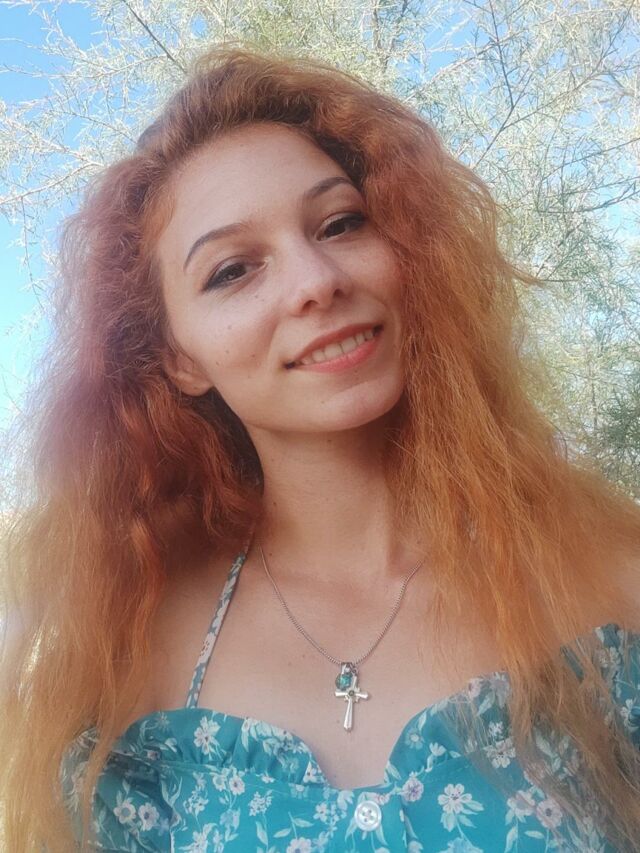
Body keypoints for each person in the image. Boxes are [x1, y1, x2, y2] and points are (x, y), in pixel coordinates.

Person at [1, 45, 640, 853]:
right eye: (234, 270)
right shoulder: (123, 652)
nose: (315, 280)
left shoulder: (607, 574)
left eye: (340, 223)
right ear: (179, 358)